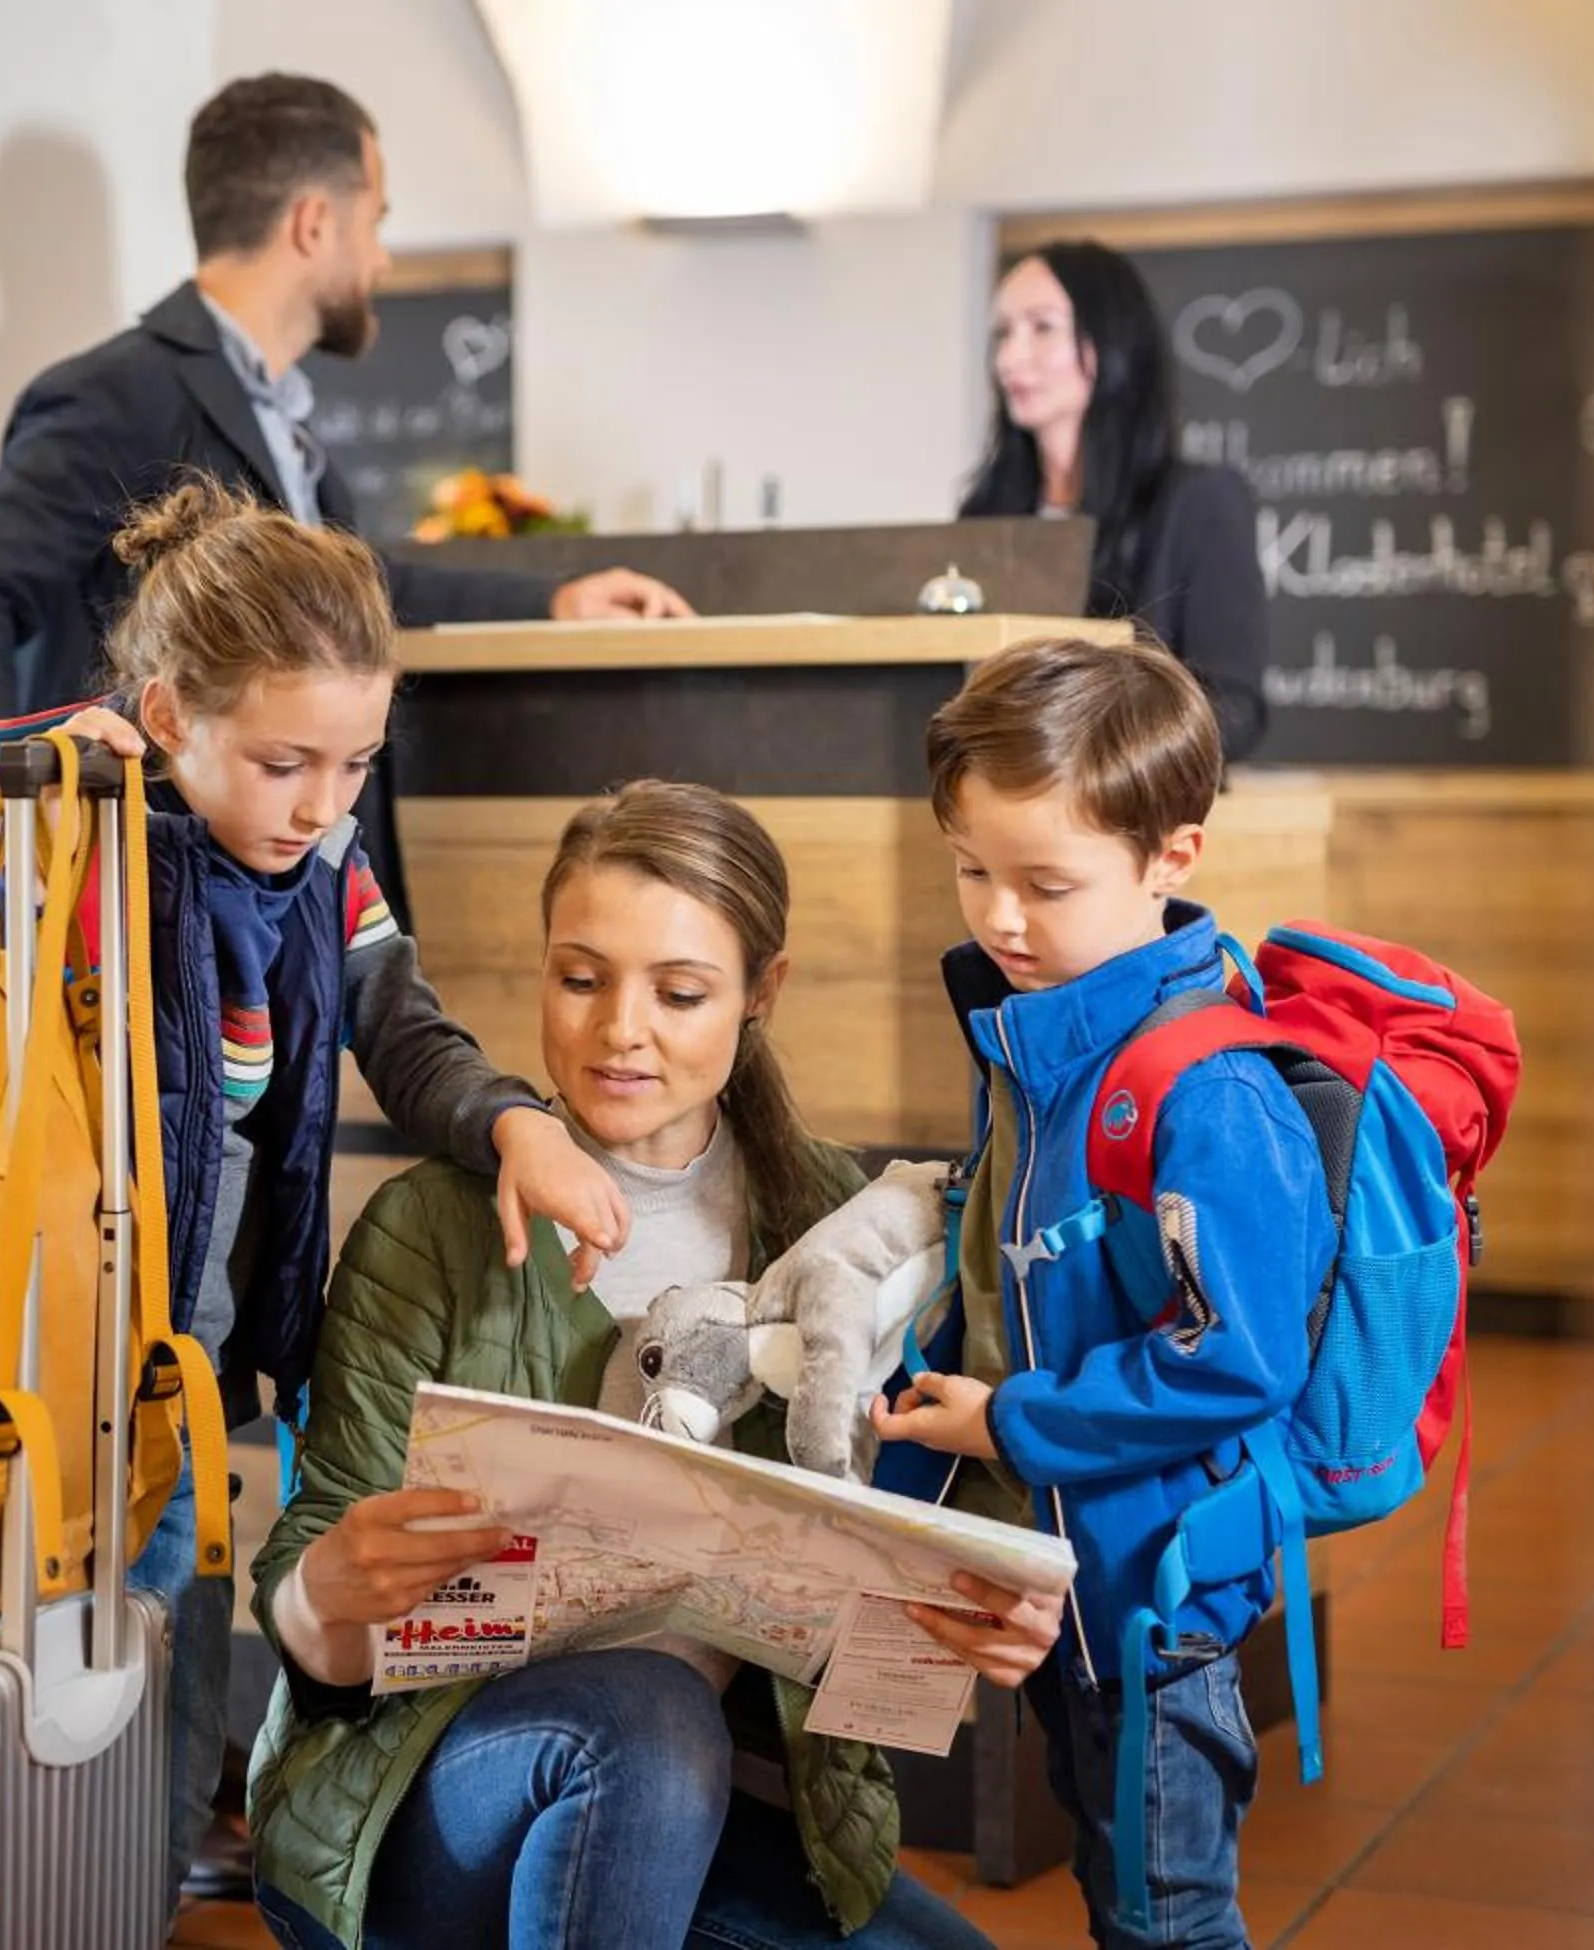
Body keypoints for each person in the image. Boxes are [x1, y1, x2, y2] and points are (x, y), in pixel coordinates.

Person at [245, 780, 1065, 1950]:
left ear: (760, 995)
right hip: (416, 1805)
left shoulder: (839, 1221)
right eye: (579, 978)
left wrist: (987, 1623)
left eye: (680, 993)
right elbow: (314, 1622)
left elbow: (921, 1546)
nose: (620, 1028)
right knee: (649, 1712)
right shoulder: (431, 1226)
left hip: (697, 1806)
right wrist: (327, 1592)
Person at [0, 480, 633, 1906]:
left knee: (179, 1622)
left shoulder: (325, 861)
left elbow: (400, 1023)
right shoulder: (86, 845)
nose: (325, 803)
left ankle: (139, 1872)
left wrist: (511, 1120)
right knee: (57, 1650)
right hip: (58, 1352)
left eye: (354, 763)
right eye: (286, 763)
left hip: (193, 1359)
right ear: (165, 718)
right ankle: (60, 1888)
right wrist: (42, 805)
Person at [0, 71, 691, 928]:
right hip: (158, 921)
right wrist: (0, 799)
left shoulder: (288, 421)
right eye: (377, 221)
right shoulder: (113, 394)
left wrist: (553, 598)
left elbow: (360, 587)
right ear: (315, 222)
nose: (382, 258)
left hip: (295, 916)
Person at [870, 636, 1336, 1949]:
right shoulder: (1039, 1034)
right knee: (1114, 1882)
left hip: (1163, 1599)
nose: (1000, 918)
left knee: (1169, 1917)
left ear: (1170, 856)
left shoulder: (1210, 1092)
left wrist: (1009, 1421)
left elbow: (1236, 1359)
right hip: (1068, 1572)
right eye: (972, 871)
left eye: (1045, 883)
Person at [958, 240, 1271, 760]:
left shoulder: (1196, 503)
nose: (1010, 358)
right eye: (1002, 333)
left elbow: (1233, 707)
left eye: (1042, 327)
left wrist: (1095, 762)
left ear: (1111, 341)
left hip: (1131, 819)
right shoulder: (986, 513)